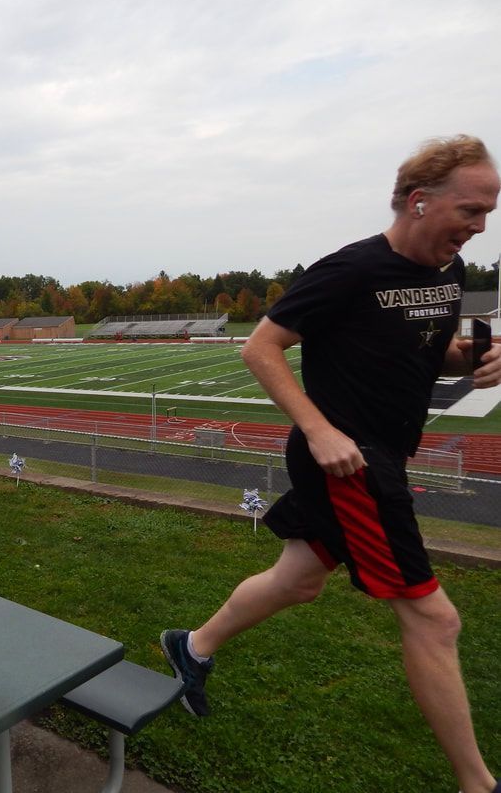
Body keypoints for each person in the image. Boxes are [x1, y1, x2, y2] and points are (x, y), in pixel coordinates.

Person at [160, 135, 500, 793]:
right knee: (434, 618)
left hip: (384, 453)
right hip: (348, 461)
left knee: (297, 580)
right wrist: (317, 431)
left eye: (488, 212)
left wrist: (474, 361)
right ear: (419, 201)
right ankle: (476, 784)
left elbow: (425, 353)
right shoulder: (348, 271)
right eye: (469, 210)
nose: (479, 226)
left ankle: (190, 647)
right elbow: (260, 348)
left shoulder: (447, 275)